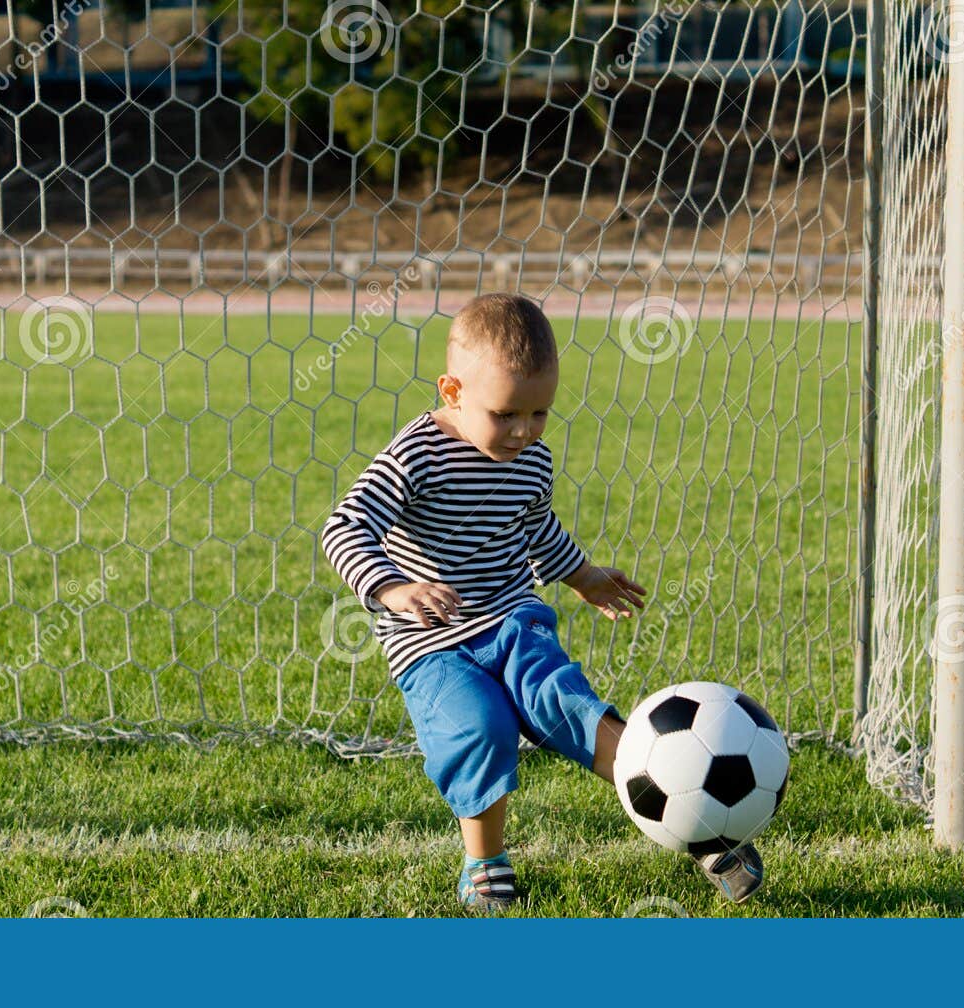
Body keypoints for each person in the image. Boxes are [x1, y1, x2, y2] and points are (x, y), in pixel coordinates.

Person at [321, 293, 763, 911]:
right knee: (480, 727)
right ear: (452, 391)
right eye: (506, 414)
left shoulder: (529, 457)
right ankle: (484, 863)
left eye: (539, 413)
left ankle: (703, 827)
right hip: (430, 641)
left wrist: (582, 577)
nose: (525, 430)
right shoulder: (414, 456)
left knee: (571, 708)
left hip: (512, 619)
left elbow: (535, 526)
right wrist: (395, 589)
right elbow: (344, 527)